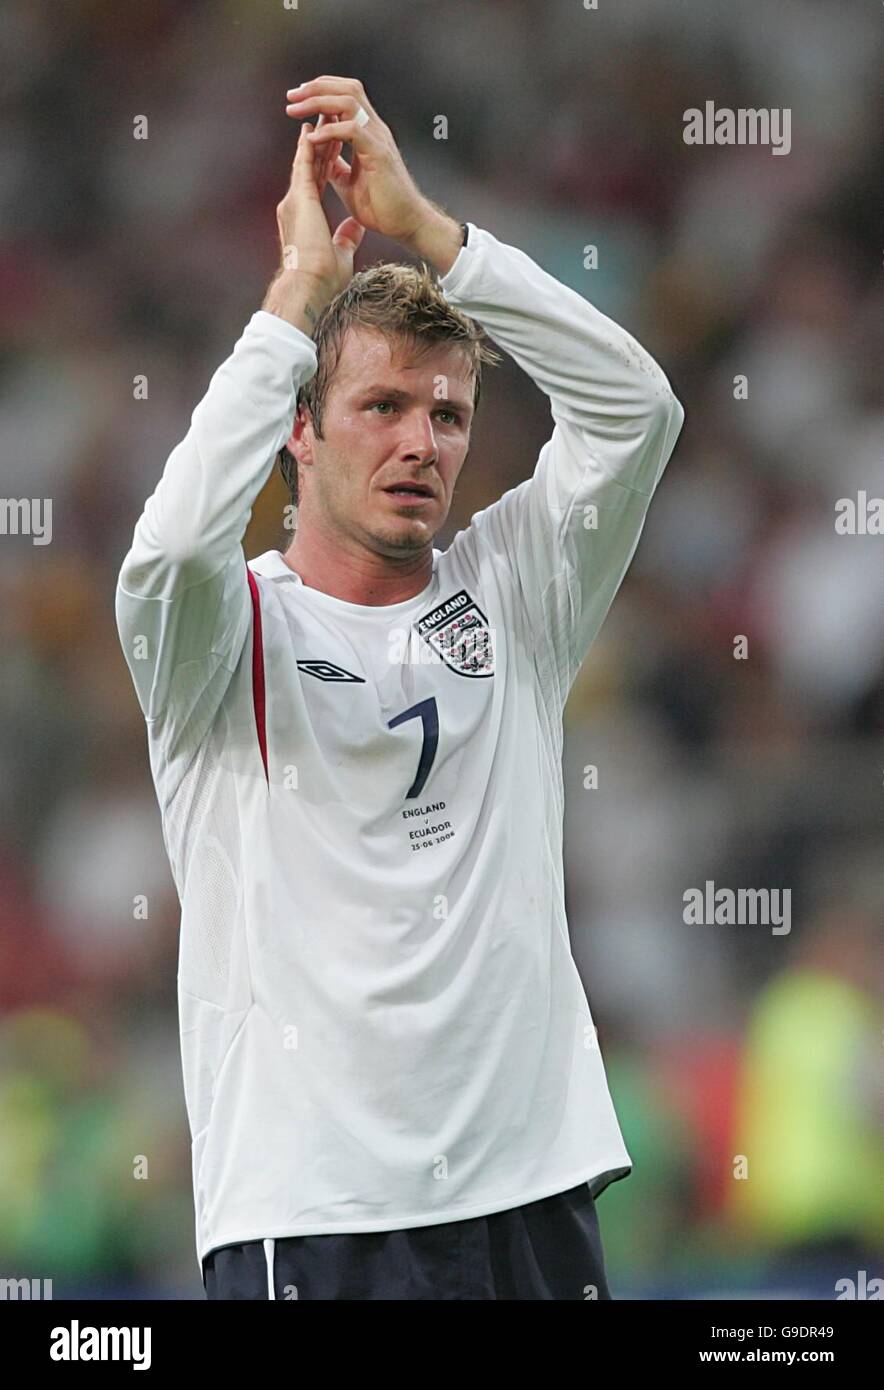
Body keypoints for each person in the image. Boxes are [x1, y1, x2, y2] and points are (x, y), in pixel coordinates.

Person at [114, 75, 685, 1300]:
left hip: (531, 1184)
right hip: (319, 1207)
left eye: (446, 412)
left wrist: (437, 236)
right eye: (378, 406)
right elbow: (164, 551)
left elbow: (636, 411)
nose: (420, 441)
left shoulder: (517, 588)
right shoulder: (225, 631)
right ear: (299, 431)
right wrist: (294, 302)